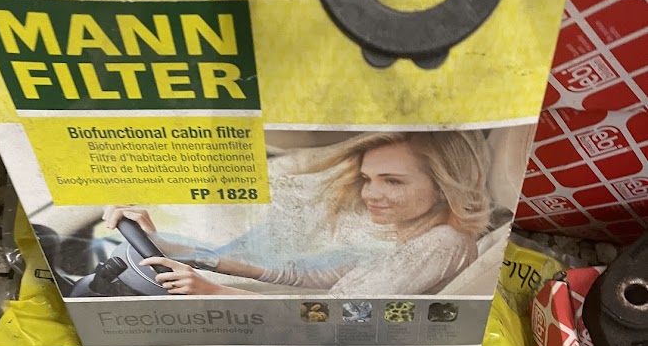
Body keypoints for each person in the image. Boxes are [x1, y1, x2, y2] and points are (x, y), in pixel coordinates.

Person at [103, 129, 492, 297]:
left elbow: (326, 315)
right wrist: (180, 251)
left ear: (445, 185)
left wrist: (211, 290)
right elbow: (307, 275)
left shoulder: (443, 242)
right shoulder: (409, 240)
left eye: (392, 181)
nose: (371, 194)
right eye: (367, 179)